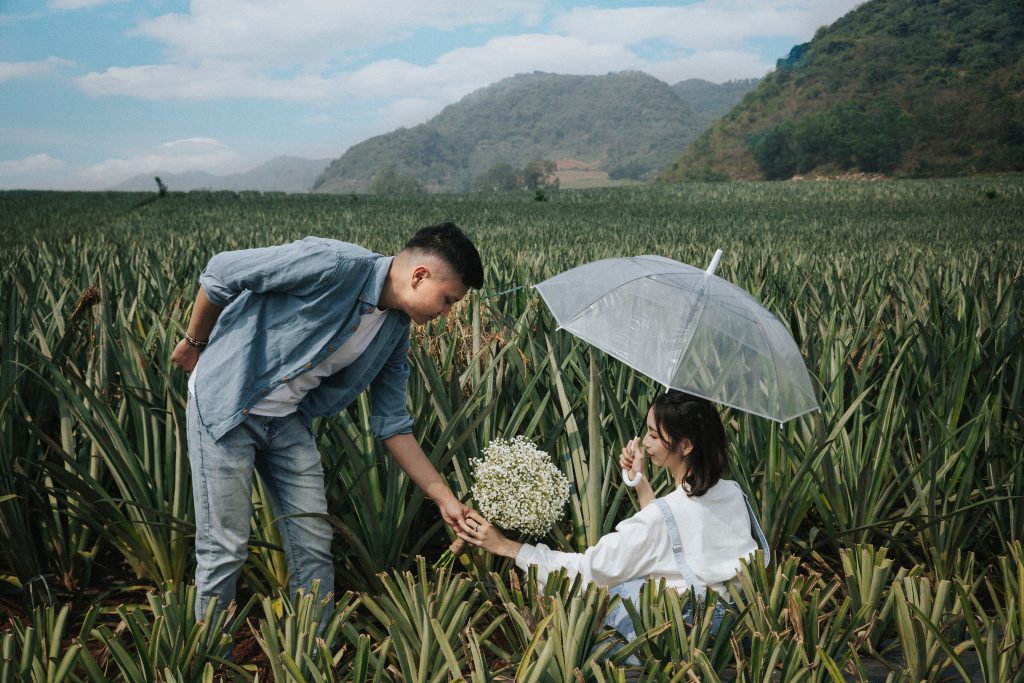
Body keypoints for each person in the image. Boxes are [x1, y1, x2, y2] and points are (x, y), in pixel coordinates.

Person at [171, 222, 482, 619]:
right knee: (225, 546)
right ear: (419, 276)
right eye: (447, 300)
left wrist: (445, 499)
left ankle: (310, 657)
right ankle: (210, 663)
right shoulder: (334, 264)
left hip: (286, 421)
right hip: (227, 404)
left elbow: (392, 424)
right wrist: (194, 343)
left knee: (314, 544)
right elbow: (221, 271)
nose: (446, 312)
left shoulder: (394, 330)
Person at [457, 391, 769, 641]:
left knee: (577, 595)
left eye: (653, 435)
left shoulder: (663, 517)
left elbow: (589, 570)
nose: (644, 443)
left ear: (685, 445)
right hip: (730, 627)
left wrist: (506, 547)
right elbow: (675, 542)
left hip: (676, 636)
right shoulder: (731, 493)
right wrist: (641, 484)